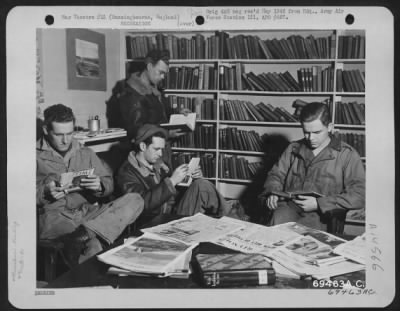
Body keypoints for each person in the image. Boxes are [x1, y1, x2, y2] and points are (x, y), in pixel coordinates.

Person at [36, 104, 144, 267]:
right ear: (46, 130)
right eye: (59, 134)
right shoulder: (32, 156)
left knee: (135, 200)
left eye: (70, 133)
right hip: (56, 219)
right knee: (96, 246)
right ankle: (90, 241)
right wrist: (44, 191)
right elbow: (15, 198)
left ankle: (84, 236)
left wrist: (100, 186)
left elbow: (108, 181)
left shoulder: (85, 152)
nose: (66, 140)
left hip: (86, 213)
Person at [258, 102, 365, 231]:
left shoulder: (347, 154)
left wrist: (319, 204)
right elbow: (276, 175)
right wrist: (273, 192)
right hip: (290, 207)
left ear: (330, 127)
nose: (311, 138)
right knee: (275, 230)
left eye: (317, 132)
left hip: (323, 214)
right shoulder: (293, 148)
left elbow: (359, 195)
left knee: (305, 242)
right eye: (306, 132)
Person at [116, 124, 233, 218]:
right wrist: (172, 181)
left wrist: (190, 178)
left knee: (201, 184)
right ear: (142, 146)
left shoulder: (157, 163)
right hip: (156, 220)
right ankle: (232, 218)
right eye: (156, 149)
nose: (160, 154)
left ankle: (231, 218)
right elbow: (142, 204)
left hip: (173, 210)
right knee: (202, 188)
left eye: (162, 149)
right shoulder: (126, 173)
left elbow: (173, 193)